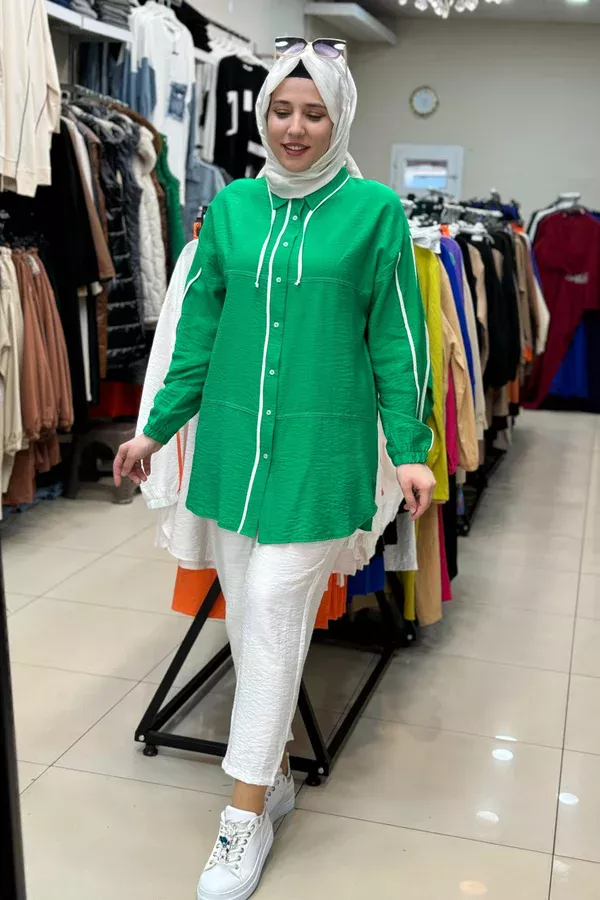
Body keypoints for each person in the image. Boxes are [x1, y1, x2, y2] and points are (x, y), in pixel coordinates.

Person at [114, 37, 435, 900]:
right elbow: (196, 335)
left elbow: (397, 339)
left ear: (340, 118)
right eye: (282, 111)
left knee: (267, 608)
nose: (295, 128)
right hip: (230, 453)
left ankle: (243, 816)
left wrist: (410, 450)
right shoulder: (231, 210)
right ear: (262, 116)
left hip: (320, 457)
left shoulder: (374, 213)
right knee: (255, 623)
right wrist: (153, 432)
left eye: (314, 113)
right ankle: (279, 779)